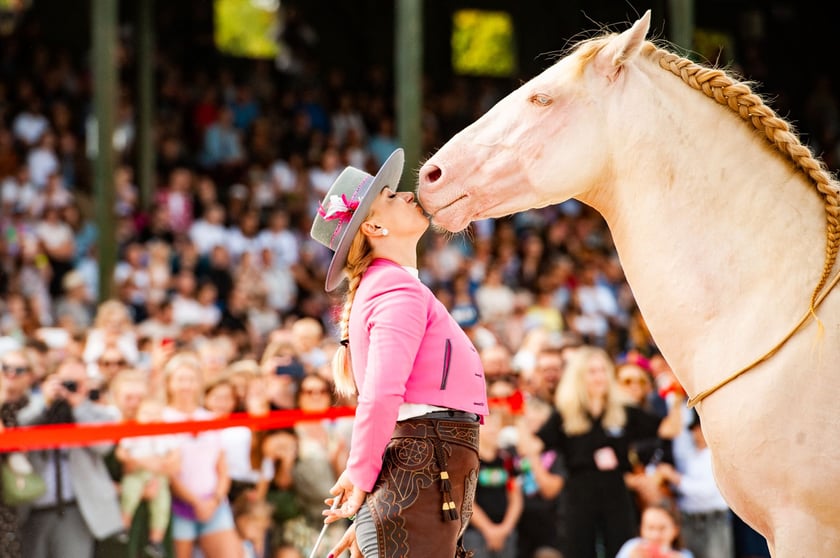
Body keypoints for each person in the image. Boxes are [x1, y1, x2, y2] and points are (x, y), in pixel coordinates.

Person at [310, 149, 489, 557]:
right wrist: (361, 479)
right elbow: (383, 393)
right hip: (425, 464)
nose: (408, 195)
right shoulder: (394, 287)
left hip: (422, 469)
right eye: (391, 196)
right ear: (372, 225)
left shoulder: (389, 285)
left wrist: (372, 498)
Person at [521, 345, 684, 558]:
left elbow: (670, 429)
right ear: (579, 377)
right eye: (592, 371)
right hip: (578, 493)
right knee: (578, 550)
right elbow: (532, 445)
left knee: (622, 549)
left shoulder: (623, 411)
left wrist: (677, 396)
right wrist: (519, 419)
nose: (599, 377)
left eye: (602, 370)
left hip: (615, 490)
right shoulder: (566, 414)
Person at [17, 356, 125, 558]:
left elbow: (103, 446)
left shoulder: (98, 414)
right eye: (67, 382)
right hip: (33, 510)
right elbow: (20, 434)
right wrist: (45, 404)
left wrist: (78, 408)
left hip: (75, 510)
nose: (72, 388)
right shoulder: (34, 409)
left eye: (78, 383)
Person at [116, 398, 180, 558]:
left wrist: (164, 464)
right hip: (136, 474)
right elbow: (122, 453)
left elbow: (175, 455)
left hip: (159, 477)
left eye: (156, 414)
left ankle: (156, 541)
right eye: (147, 413)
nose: (152, 417)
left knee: (162, 506)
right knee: (129, 495)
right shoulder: (134, 433)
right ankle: (123, 526)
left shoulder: (166, 436)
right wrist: (136, 461)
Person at [615, 501, 695, 558]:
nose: (655, 535)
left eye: (662, 528)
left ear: (675, 530)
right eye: (650, 528)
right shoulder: (631, 547)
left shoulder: (684, 555)